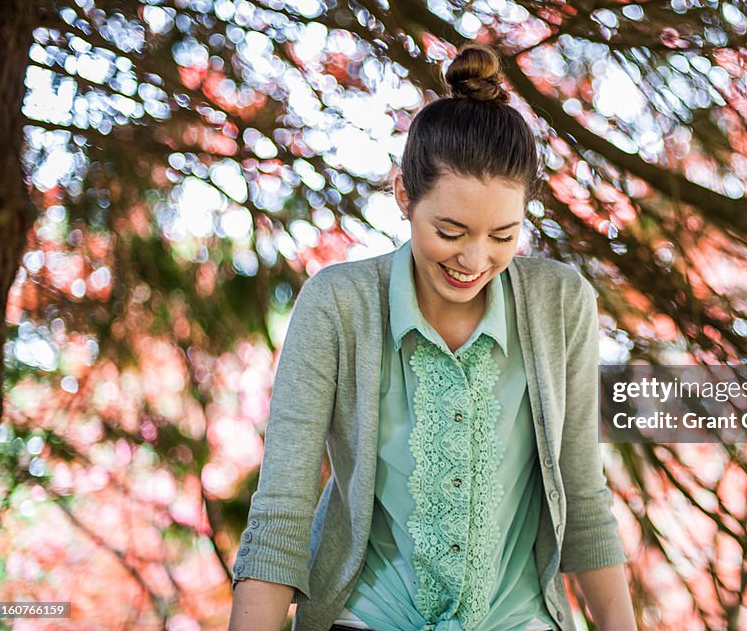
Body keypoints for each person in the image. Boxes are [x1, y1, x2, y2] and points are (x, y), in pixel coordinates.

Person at [228, 43, 636, 631]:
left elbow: (584, 503)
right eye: (450, 230)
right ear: (403, 195)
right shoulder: (339, 305)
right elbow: (281, 515)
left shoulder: (561, 304)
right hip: (366, 618)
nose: (475, 259)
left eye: (503, 235)